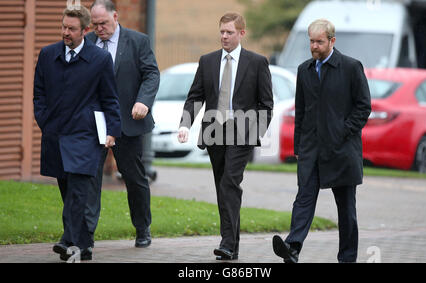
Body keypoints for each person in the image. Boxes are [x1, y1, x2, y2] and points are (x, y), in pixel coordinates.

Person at [272, 19, 371, 263]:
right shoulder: (304, 70)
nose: (314, 46)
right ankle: (292, 247)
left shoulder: (350, 67)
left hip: (342, 151)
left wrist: (342, 132)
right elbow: (301, 111)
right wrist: (298, 146)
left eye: (319, 42)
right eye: (311, 41)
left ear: (332, 41)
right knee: (303, 199)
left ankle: (347, 258)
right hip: (311, 150)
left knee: (346, 210)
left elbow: (363, 106)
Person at [178, 12, 273, 260]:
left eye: (229, 32)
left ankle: (227, 242)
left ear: (241, 33)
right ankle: (232, 247)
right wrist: (185, 124)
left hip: (242, 133)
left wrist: (255, 134)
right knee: (224, 188)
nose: (224, 36)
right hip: (213, 133)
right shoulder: (207, 61)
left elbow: (266, 104)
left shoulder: (256, 62)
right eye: (221, 31)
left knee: (230, 181)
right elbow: (195, 96)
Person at [33, 5, 121, 261]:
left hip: (86, 135)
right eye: (63, 27)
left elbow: (110, 98)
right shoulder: (48, 54)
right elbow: (39, 93)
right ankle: (84, 245)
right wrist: (44, 121)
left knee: (79, 188)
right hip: (56, 133)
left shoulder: (100, 59)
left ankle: (67, 239)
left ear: (85, 30)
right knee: (66, 188)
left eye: (71, 29)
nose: (65, 32)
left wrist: (113, 131)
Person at [86, 0, 160, 248]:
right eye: (95, 24)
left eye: (103, 23)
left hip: (128, 120)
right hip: (95, 122)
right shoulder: (87, 43)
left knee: (133, 176)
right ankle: (85, 233)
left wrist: (143, 101)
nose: (99, 29)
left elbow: (151, 73)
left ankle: (142, 228)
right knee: (89, 177)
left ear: (115, 16)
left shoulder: (138, 41)